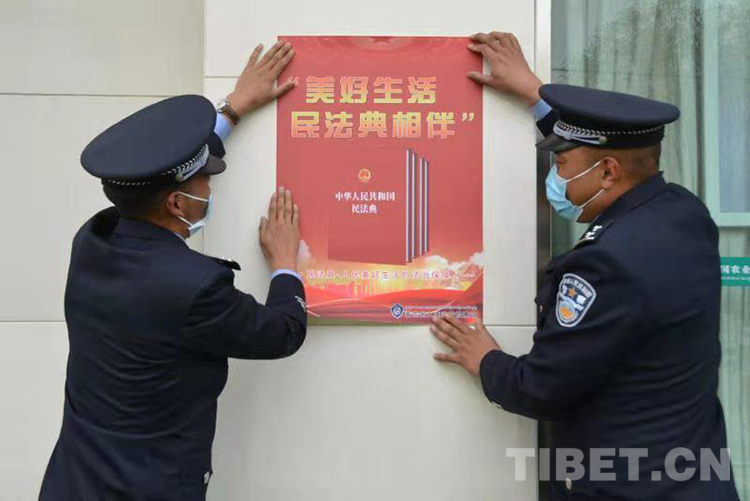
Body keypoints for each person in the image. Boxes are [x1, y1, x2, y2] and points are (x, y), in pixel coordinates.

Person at [430, 32, 740, 500]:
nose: (557, 177)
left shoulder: (605, 264)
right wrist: (534, 91)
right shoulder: (685, 213)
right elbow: (594, 145)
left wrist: (485, 359)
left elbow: (542, 388)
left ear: (609, 172)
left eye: (561, 164)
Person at [39, 41, 305, 500]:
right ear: (178, 204)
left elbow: (160, 173)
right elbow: (282, 333)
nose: (210, 185)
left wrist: (232, 108)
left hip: (73, 485)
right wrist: (284, 264)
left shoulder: (93, 241)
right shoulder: (195, 288)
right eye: (206, 178)